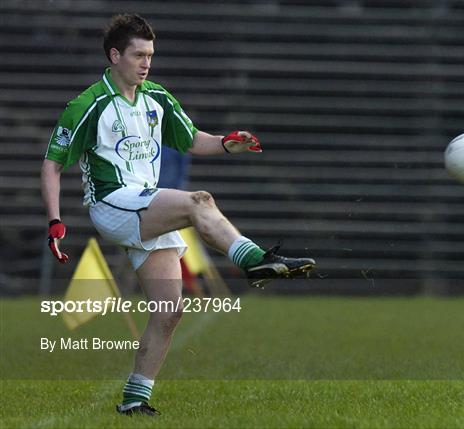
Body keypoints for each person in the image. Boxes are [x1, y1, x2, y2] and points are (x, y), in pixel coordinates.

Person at [41, 14, 315, 416]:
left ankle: (134, 400)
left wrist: (225, 143)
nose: (146, 62)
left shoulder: (158, 99)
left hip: (145, 205)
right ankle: (255, 261)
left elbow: (191, 140)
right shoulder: (87, 106)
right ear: (115, 56)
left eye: (150, 54)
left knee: (169, 310)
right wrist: (54, 221)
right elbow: (51, 164)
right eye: (138, 54)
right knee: (198, 201)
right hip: (113, 204)